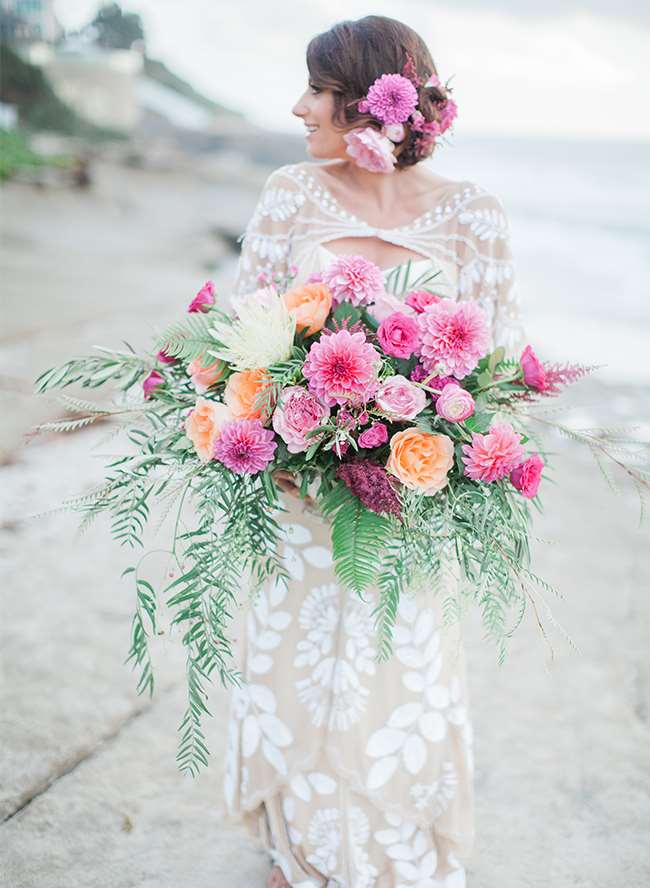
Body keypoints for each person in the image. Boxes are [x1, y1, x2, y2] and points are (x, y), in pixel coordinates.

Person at [222, 15, 526, 888]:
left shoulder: (474, 215)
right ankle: (297, 852)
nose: (298, 107)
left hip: (411, 508)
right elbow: (248, 340)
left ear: (367, 103)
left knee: (400, 682)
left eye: (315, 90)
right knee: (297, 672)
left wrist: (435, 439)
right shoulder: (289, 194)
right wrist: (282, 420)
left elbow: (495, 375)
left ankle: (393, 860)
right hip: (300, 494)